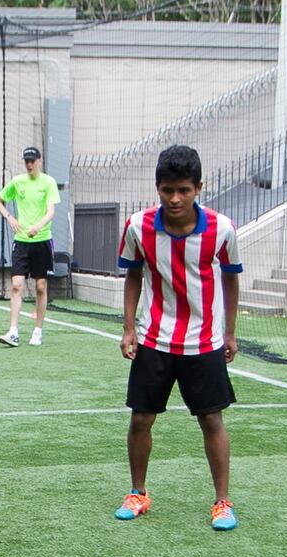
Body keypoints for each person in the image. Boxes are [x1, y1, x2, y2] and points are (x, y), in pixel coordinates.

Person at [114, 144, 242, 531]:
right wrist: (128, 327)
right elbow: (133, 275)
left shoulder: (222, 228)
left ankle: (222, 502)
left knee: (211, 420)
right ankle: (138, 492)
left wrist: (230, 332)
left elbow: (231, 278)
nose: (175, 198)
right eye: (167, 189)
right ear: (157, 187)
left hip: (203, 341)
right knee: (141, 418)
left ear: (198, 188)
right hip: (154, 338)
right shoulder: (138, 226)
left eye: (183, 190)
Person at [0, 146, 60, 348]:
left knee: (41, 287)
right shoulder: (17, 182)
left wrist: (37, 227)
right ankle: (13, 331)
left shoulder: (48, 182)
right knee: (16, 285)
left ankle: (38, 330)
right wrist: (9, 217)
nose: (29, 164)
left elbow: (50, 212)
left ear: (39, 161)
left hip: (42, 241)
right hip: (21, 242)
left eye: (32, 161)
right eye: (26, 161)